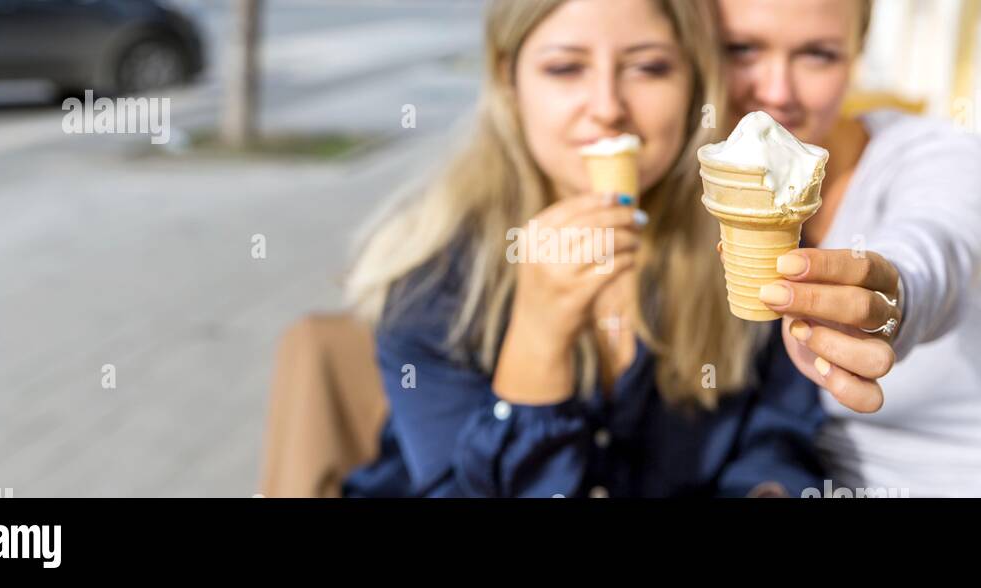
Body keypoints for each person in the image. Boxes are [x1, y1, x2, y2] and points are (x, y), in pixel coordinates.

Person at [338, 0, 875, 498]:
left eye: (648, 68)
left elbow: (775, 435)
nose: (607, 108)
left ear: (694, 81)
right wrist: (538, 343)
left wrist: (769, 486)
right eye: (566, 68)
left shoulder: (738, 250)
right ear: (508, 79)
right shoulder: (432, 278)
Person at [717, 0, 981, 496]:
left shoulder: (938, 154)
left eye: (818, 55)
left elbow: (935, 251)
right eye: (742, 49)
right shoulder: (709, 205)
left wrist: (887, 302)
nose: (776, 92)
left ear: (857, 56)